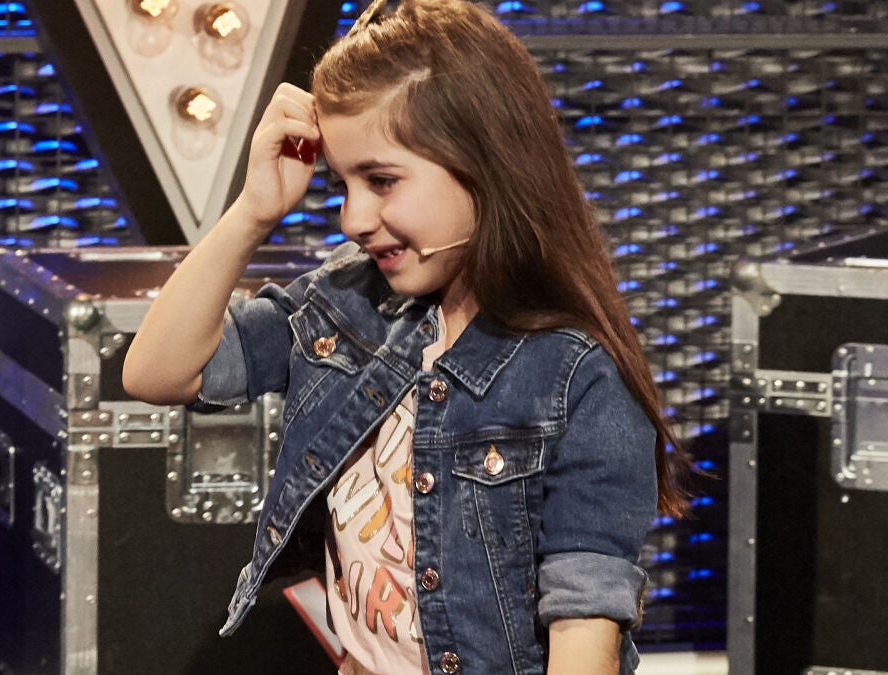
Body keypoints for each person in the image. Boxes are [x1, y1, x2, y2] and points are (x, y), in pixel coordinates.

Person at [123, 1, 693, 673]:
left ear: (485, 161)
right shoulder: (349, 302)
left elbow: (585, 628)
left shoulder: (576, 375)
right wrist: (253, 211)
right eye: (342, 184)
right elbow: (156, 372)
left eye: (382, 180)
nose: (353, 218)